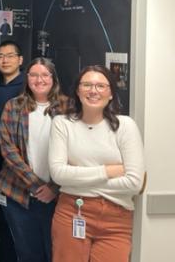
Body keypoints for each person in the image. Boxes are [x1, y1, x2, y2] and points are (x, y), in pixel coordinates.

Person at [49, 66, 145, 262]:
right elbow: (58, 174)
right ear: (77, 91)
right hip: (72, 213)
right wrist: (108, 171)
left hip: (116, 219)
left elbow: (135, 183)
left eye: (101, 86)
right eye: (87, 85)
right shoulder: (62, 124)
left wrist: (76, 181)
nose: (93, 91)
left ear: (111, 93)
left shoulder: (125, 126)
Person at [0, 58, 68, 262]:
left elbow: (76, 151)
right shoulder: (13, 106)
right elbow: (8, 150)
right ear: (26, 78)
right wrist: (36, 185)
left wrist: (53, 188)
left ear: (53, 78)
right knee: (28, 254)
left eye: (45, 75)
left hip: (58, 196)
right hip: (19, 194)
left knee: (57, 253)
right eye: (34, 75)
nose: (39, 80)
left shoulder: (68, 107)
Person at [0, 40, 24, 262]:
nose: (5, 60)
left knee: (20, 225)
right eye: (1, 56)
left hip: (20, 167)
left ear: (20, 60)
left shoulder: (28, 88)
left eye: (10, 56)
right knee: (1, 221)